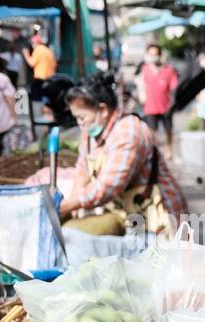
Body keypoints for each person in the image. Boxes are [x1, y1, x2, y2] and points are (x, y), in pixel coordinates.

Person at [58, 72, 187, 237]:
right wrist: (74, 200)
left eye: (82, 117)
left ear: (103, 109)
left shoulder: (128, 131)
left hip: (159, 214)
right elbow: (82, 168)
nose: (79, 123)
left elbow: (108, 186)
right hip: (128, 213)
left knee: (72, 233)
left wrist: (68, 205)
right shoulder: (90, 130)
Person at [139, 44, 178, 148]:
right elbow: (141, 86)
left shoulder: (168, 69)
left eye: (155, 54)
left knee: (168, 129)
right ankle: (153, 151)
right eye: (150, 54)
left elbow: (174, 87)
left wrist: (172, 102)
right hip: (150, 107)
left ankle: (169, 149)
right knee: (151, 131)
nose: (153, 57)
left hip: (165, 106)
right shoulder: (145, 69)